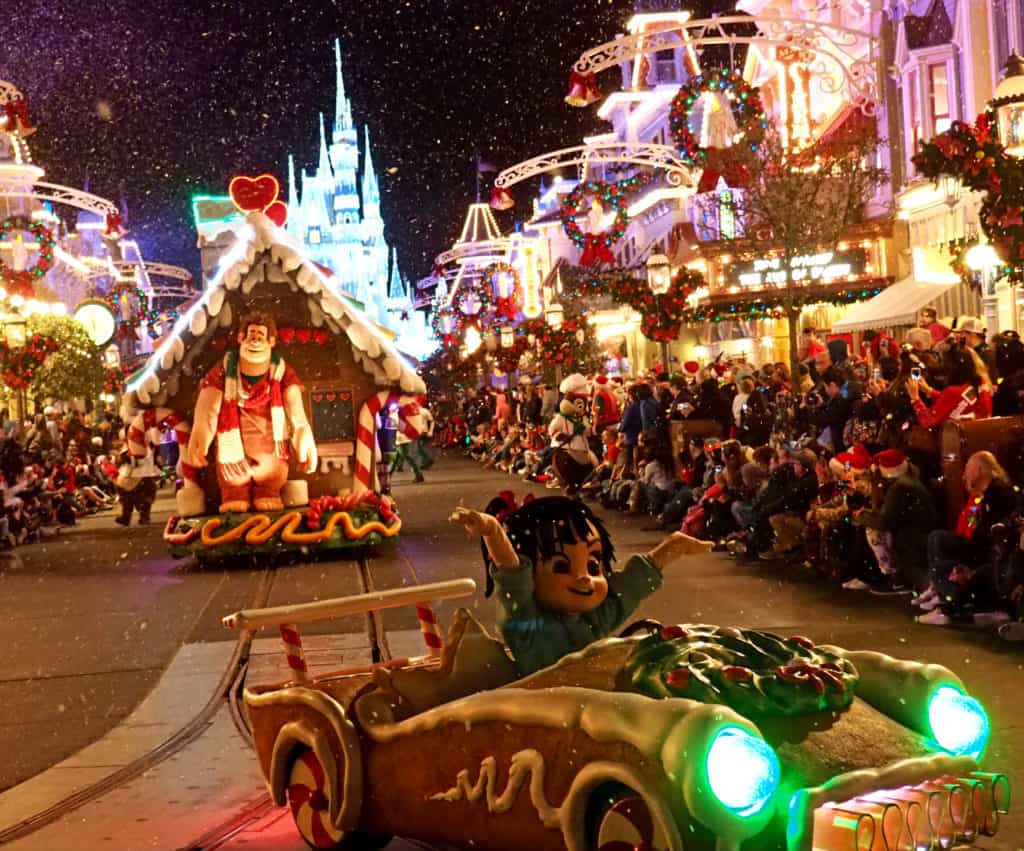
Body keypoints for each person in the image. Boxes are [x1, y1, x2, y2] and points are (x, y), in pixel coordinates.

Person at [449, 495, 712, 676]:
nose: (584, 577)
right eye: (562, 567)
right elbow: (512, 574)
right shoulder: (527, 623)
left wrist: (671, 549)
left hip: (594, 708)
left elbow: (629, 587)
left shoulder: (592, 618)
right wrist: (494, 533)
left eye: (593, 566)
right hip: (540, 716)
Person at [187, 311, 318, 513]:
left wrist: (303, 434)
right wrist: (201, 434)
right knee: (233, 481)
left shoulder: (282, 371)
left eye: (260, 336)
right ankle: (235, 491)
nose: (255, 341)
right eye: (251, 335)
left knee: (272, 471)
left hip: (270, 442)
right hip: (233, 445)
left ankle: (268, 490)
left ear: (271, 341)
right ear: (241, 338)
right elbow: (209, 407)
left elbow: (295, 410)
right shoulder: (225, 368)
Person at [916, 451, 1018, 625]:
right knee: (937, 539)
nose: (964, 475)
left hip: (989, 550)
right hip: (984, 548)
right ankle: (942, 593)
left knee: (938, 539)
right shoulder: (988, 493)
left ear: (979, 470)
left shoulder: (998, 493)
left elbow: (989, 535)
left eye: (968, 470)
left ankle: (946, 598)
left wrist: (968, 562)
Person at [853, 449, 938, 593]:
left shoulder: (899, 487)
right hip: (918, 530)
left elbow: (885, 521)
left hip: (913, 535)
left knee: (874, 533)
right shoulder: (909, 479)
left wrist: (860, 517)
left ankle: (895, 579)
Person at [906, 343, 992, 428]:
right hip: (980, 436)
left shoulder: (953, 392)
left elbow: (928, 421)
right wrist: (930, 391)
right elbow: (956, 401)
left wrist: (915, 399)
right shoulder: (980, 383)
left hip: (956, 440)